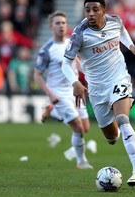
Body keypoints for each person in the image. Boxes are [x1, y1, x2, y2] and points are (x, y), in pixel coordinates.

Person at [61, 0, 135, 186]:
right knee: (111, 137)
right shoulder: (79, 34)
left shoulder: (115, 21)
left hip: (119, 78)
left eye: (95, 9)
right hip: (97, 89)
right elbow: (66, 64)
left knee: (122, 119)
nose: (91, 14)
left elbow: (123, 32)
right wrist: (75, 82)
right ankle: (119, 111)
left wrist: (132, 48)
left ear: (103, 10)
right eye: (87, 10)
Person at [34, 10, 93, 170]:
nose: (61, 26)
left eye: (63, 23)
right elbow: (37, 75)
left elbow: (77, 62)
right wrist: (50, 94)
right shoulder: (47, 49)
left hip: (74, 90)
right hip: (58, 92)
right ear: (51, 26)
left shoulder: (71, 43)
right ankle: (81, 162)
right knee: (78, 128)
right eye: (58, 23)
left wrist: (90, 75)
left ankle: (53, 111)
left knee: (85, 128)